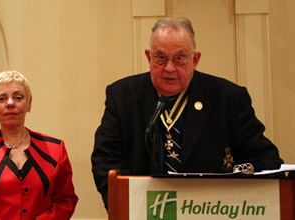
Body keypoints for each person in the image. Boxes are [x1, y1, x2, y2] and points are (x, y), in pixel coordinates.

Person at [91, 17, 283, 209]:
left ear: (195, 59)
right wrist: (126, 206)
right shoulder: (122, 96)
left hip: (210, 210)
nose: (169, 68)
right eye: (160, 57)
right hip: (145, 211)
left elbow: (264, 158)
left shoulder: (229, 99)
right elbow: (105, 159)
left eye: (179, 58)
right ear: (149, 57)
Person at [0, 71, 78, 219]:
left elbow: (66, 201)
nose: (10, 103)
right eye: (2, 98)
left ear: (29, 103)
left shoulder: (55, 149)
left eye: (18, 97)